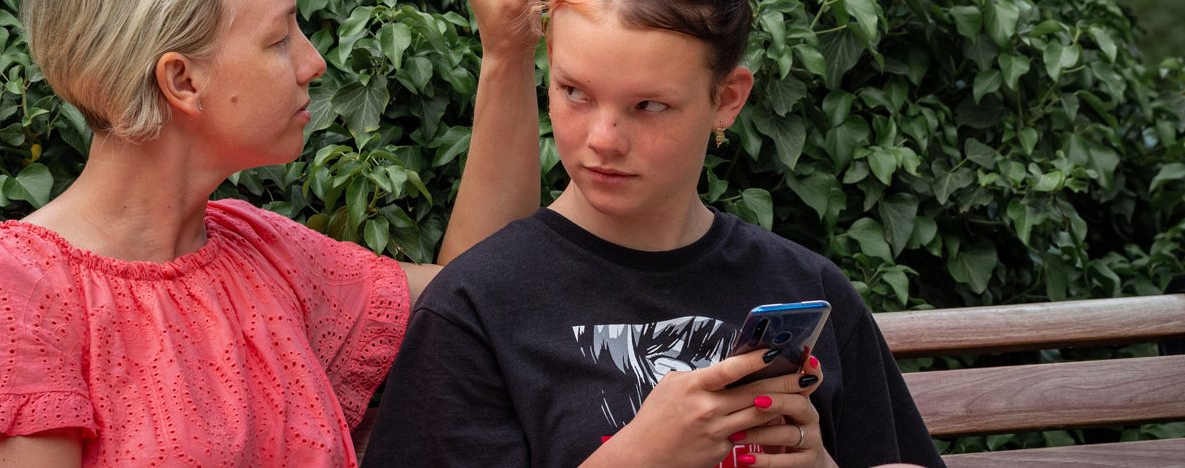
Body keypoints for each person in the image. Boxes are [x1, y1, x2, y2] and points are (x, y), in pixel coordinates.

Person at [0, 0, 539, 466]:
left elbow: (479, 289)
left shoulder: (260, 251)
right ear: (182, 80)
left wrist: (507, 52)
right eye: (280, 39)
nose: (313, 63)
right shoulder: (10, 293)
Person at [362, 0, 946, 466]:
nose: (604, 138)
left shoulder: (804, 284)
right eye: (574, 93)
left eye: (648, 105)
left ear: (728, 100)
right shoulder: (475, 307)